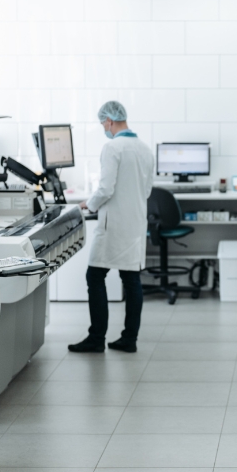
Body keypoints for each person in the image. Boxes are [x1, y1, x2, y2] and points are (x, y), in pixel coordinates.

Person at [68, 101, 154, 354]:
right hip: (135, 223)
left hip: (114, 224)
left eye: (103, 124)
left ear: (109, 121)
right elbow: (146, 190)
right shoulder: (145, 149)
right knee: (131, 279)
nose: (103, 128)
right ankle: (129, 338)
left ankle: (96, 338)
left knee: (94, 277)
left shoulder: (113, 147)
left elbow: (105, 189)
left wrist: (89, 204)